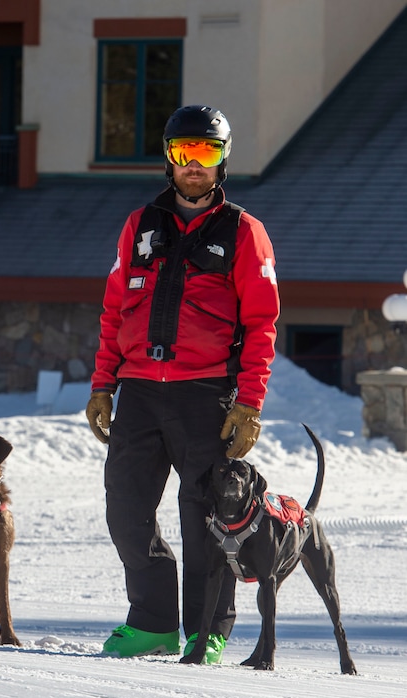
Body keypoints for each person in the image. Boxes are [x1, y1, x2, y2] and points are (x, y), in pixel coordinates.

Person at [86, 105, 280, 662]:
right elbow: (113, 309)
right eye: (185, 153)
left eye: (207, 153)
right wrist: (104, 384)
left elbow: (262, 322)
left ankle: (206, 628)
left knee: (204, 521)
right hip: (141, 393)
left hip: (206, 396)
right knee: (125, 510)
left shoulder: (244, 232)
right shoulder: (139, 226)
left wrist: (248, 403)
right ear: (169, 159)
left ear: (222, 161)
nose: (195, 165)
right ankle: (152, 622)